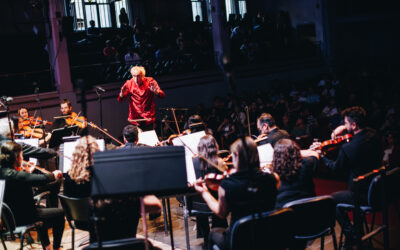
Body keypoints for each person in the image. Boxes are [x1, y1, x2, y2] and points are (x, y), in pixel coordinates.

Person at [63, 136, 161, 242]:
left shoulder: (68, 176)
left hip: (80, 221)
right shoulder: (102, 174)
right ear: (97, 151)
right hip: (104, 218)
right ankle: (130, 241)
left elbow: (68, 201)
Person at [313, 106, 382, 249]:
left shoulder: (349, 148)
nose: (344, 126)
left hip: (361, 195)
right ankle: (358, 233)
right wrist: (344, 131)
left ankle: (352, 237)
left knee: (331, 201)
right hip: (379, 191)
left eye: (346, 123)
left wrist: (322, 156)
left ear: (354, 125)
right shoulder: (374, 135)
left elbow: (336, 168)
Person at [194, 137, 278, 249]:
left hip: (239, 239)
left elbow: (221, 213)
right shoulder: (273, 179)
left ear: (237, 155)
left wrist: (204, 192)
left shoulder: (228, 185)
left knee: (214, 233)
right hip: (267, 236)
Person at [0, 141, 64, 250]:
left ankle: (48, 246)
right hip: (24, 217)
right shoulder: (18, 175)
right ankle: (56, 248)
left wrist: (26, 171)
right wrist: (55, 174)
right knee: (59, 214)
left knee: (41, 212)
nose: (22, 157)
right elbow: (43, 179)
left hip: (8, 219)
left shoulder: (4, 171)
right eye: (21, 155)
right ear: (16, 158)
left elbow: (20, 184)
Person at [191, 135, 228, 241]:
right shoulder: (219, 162)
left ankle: (205, 236)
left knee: (200, 204)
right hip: (216, 203)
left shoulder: (193, 162)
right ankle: (218, 234)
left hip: (198, 204)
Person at [272, 139, 318, 208]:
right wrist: (293, 153)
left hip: (284, 212)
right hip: (310, 208)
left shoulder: (273, 174)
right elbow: (315, 154)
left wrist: (281, 155)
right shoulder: (307, 164)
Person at [118, 66, 165, 131]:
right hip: (135, 119)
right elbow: (121, 100)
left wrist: (156, 92)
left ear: (143, 76)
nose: (136, 79)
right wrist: (122, 94)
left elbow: (162, 95)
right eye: (134, 76)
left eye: (138, 76)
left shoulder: (150, 81)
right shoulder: (129, 83)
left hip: (148, 118)